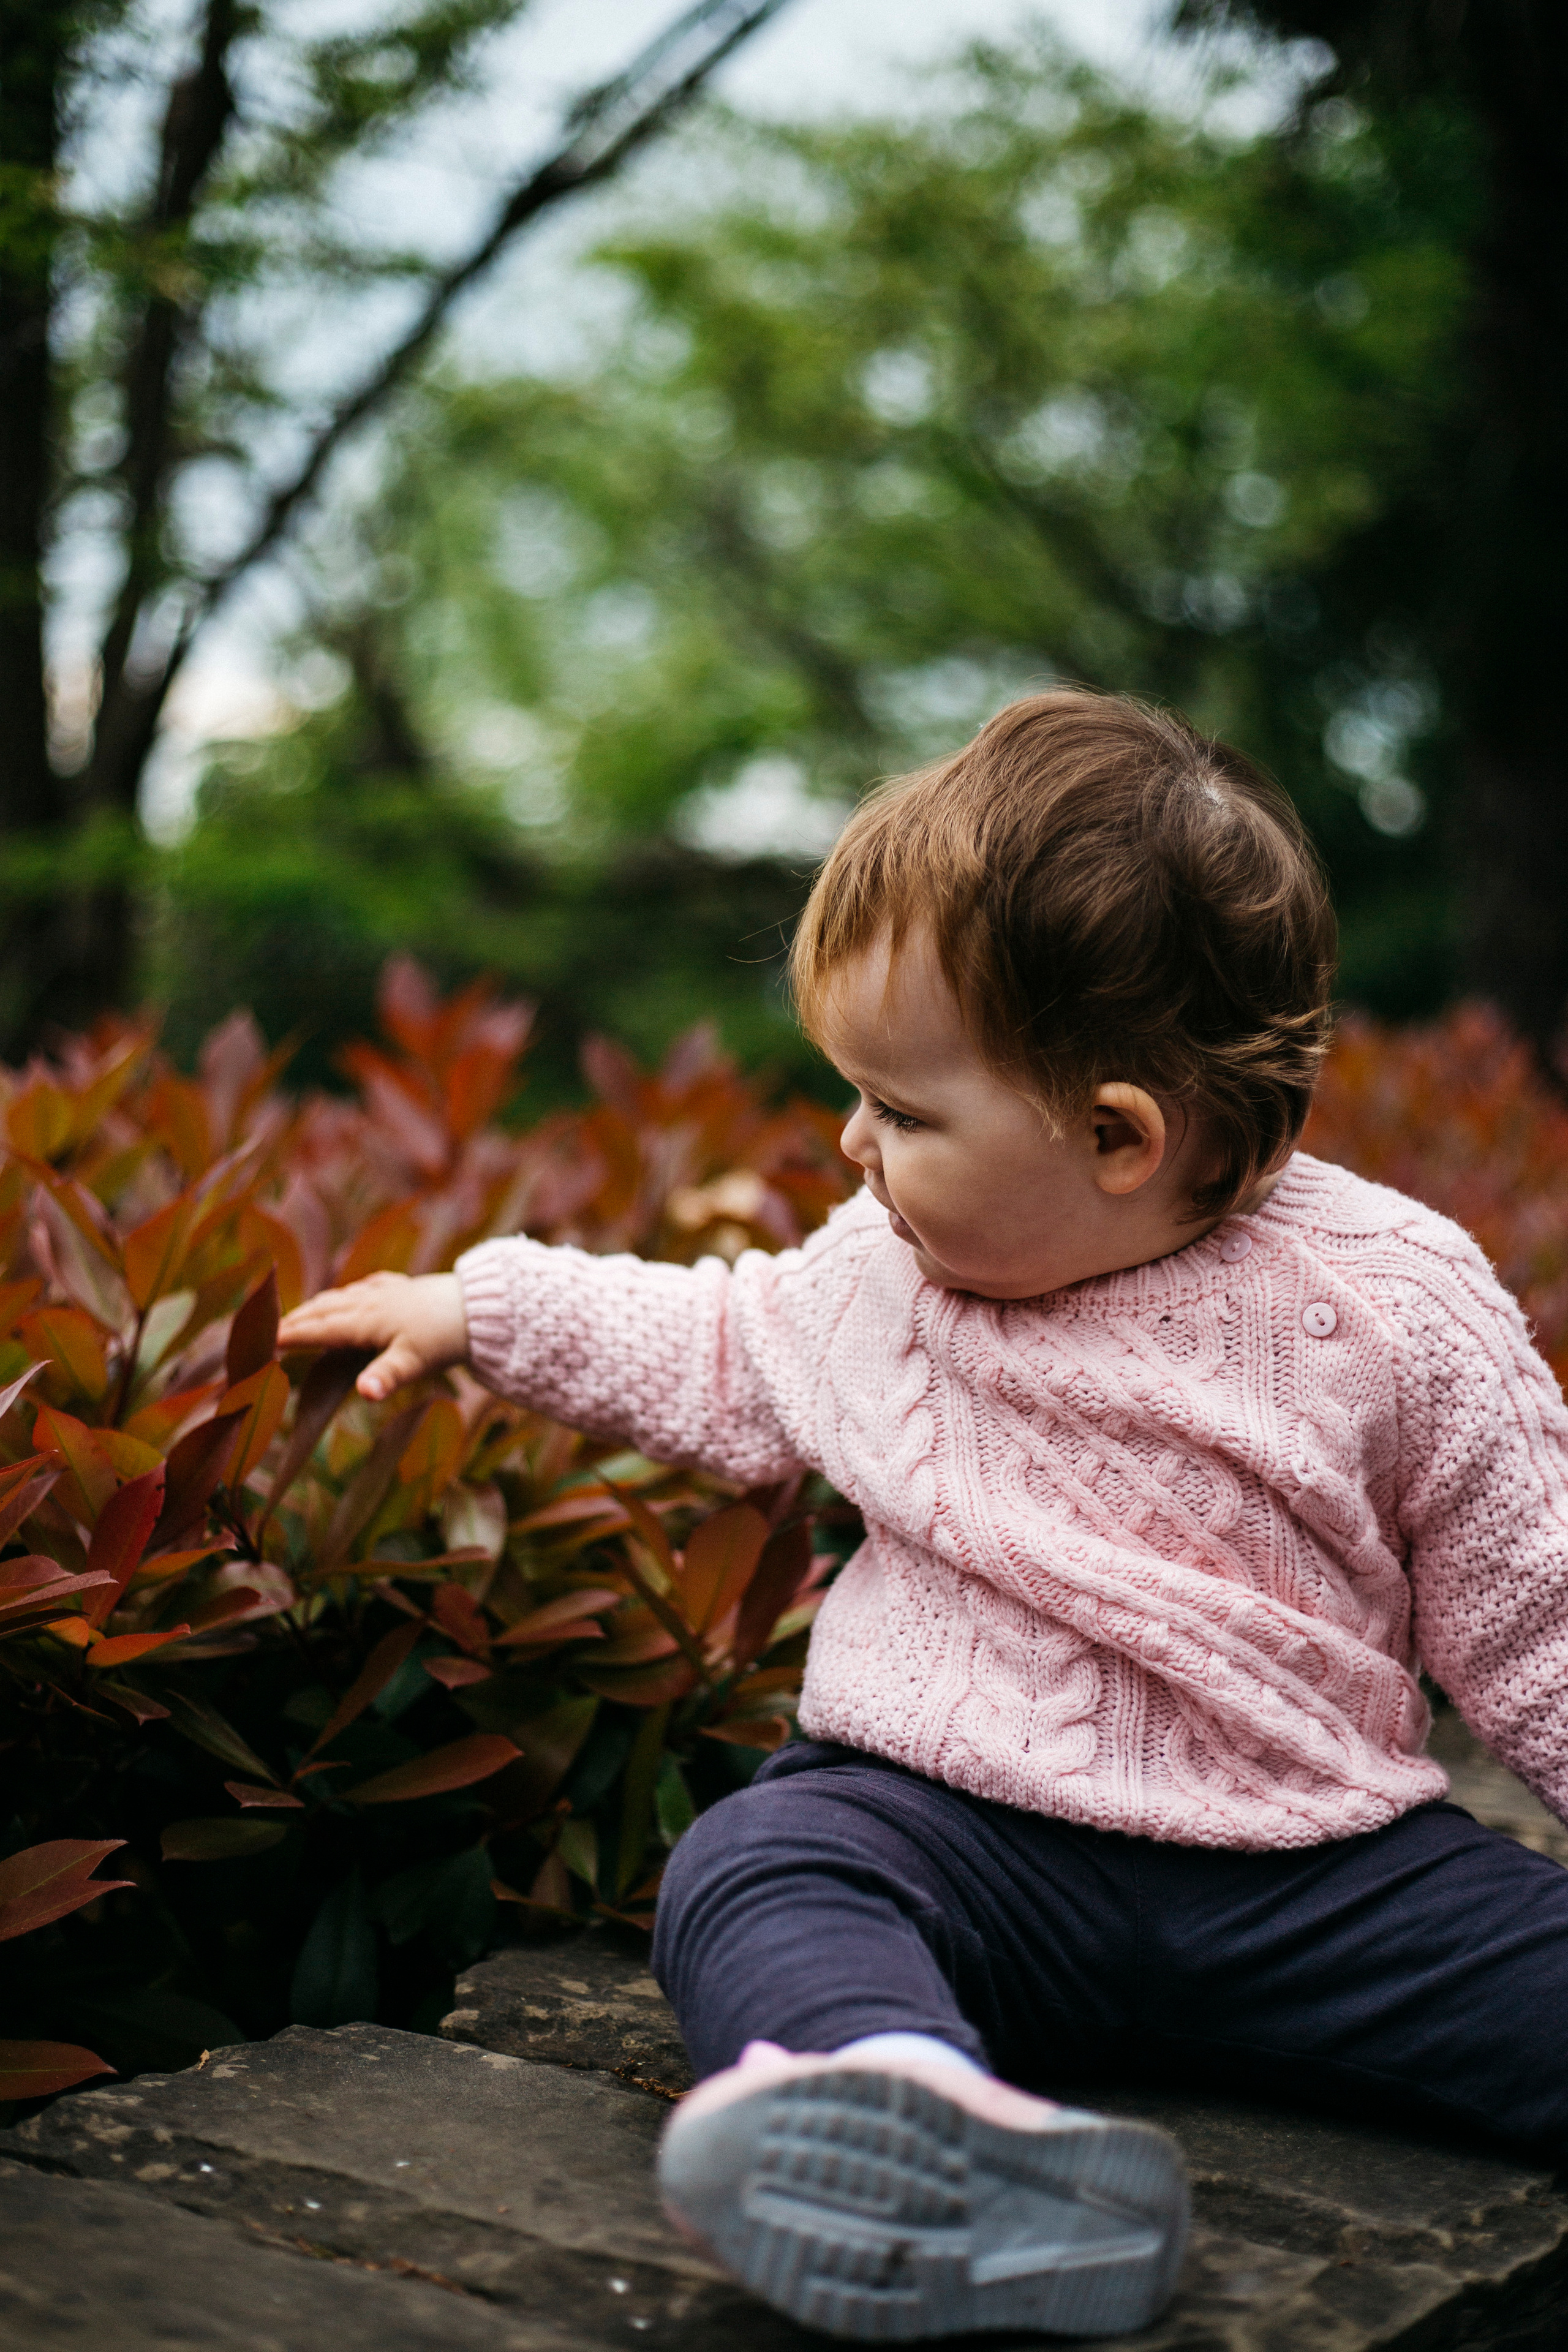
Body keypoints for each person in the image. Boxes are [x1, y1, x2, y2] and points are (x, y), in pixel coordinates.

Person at [278, 690, 1568, 2343]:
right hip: (953, 1834)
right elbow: (724, 1341)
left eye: (899, 1109)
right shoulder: (881, 1278)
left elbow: (1529, 1613)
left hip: (1316, 1875)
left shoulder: (1389, 1305)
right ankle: (899, 2106)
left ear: (1117, 1136)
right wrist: (485, 1308)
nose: (848, 1144)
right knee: (762, 1867)